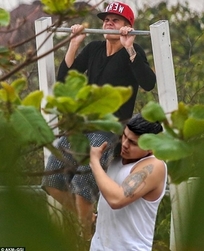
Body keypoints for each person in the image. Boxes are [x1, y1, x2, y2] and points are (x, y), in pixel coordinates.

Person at [41, 1, 156, 239]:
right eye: (106, 20)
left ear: (127, 26)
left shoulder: (132, 52)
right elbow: (64, 81)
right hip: (83, 127)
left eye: (115, 20)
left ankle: (84, 240)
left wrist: (130, 48)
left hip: (110, 129)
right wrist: (73, 44)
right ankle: (91, 219)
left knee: (82, 188)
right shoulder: (93, 48)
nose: (108, 23)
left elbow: (148, 83)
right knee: (51, 181)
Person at [89, 113, 167, 251]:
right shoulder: (116, 159)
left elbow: (117, 199)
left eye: (133, 143)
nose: (125, 144)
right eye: (125, 136)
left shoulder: (154, 166)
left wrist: (94, 161)